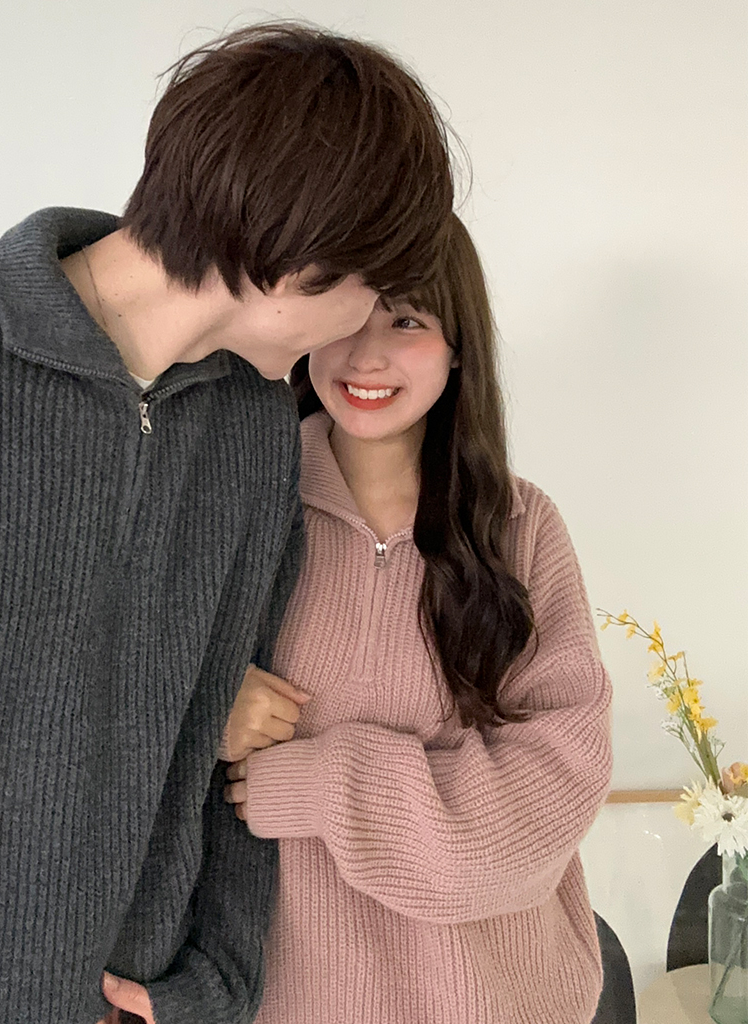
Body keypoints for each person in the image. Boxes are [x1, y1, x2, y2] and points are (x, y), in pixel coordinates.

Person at [0, 23, 455, 1024]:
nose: (366, 325)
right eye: (372, 288)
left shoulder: (252, 432)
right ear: (302, 267)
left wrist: (206, 992)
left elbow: (238, 742)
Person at [221, 214, 613, 1024]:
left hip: (491, 1000)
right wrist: (204, 716)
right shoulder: (236, 506)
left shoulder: (519, 529)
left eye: (406, 321)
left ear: (458, 346)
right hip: (276, 1000)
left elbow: (546, 799)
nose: (366, 355)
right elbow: (112, 728)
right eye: (345, 311)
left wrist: (319, 783)